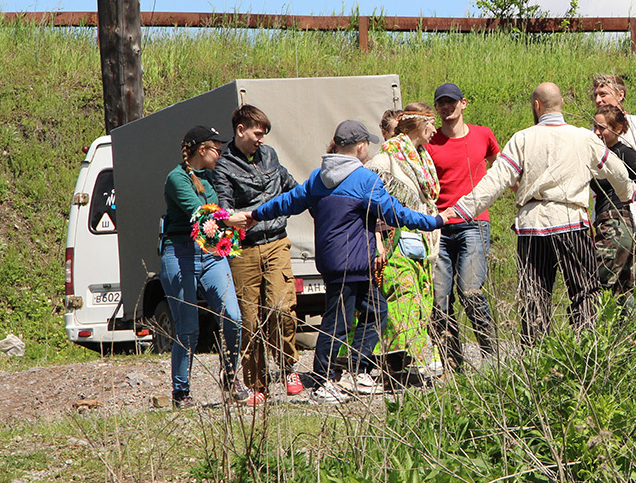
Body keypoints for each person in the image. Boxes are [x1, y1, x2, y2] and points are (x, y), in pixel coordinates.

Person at [235, 120, 445, 405]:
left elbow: (287, 201)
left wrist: (255, 214)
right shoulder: (364, 180)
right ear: (360, 146)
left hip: (338, 262)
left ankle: (355, 372)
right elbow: (396, 213)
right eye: (366, 144)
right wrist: (433, 221)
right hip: (354, 261)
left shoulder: (318, 178)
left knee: (375, 311)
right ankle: (324, 380)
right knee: (338, 323)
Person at [444, 83, 636, 345]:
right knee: (584, 292)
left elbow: (495, 181)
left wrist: (458, 211)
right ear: (561, 105)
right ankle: (588, 355)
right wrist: (627, 193)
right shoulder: (583, 137)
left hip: (532, 226)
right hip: (571, 222)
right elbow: (616, 169)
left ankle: (536, 361)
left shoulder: (523, 138)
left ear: (536, 105)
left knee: (534, 296)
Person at [211, 105, 301, 401]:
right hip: (245, 250)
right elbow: (224, 208)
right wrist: (234, 217)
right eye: (257, 133)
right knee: (249, 320)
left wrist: (316, 200)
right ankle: (257, 384)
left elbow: (289, 185)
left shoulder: (270, 155)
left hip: (277, 241)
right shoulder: (224, 167)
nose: (261, 140)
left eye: (264, 135)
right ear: (240, 130)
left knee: (281, 308)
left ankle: (288, 366)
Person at [160, 125, 251, 408]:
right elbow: (198, 214)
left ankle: (231, 374)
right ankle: (181, 392)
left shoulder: (211, 177)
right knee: (188, 327)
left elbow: (222, 206)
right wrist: (230, 220)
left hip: (211, 252)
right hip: (179, 253)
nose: (220, 154)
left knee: (233, 317)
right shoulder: (176, 179)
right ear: (202, 150)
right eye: (217, 149)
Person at [425, 83, 500, 370]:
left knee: (470, 291)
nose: (447, 107)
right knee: (439, 299)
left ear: (463, 103)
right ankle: (452, 364)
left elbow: (502, 170)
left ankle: (490, 356)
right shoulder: (430, 143)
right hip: (439, 227)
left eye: (451, 102)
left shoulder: (484, 135)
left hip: (474, 223)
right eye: (441, 103)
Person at [367, 104, 442, 384]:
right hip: (395, 240)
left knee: (420, 300)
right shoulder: (389, 155)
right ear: (419, 125)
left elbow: (428, 196)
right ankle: (395, 366)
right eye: (431, 124)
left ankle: (404, 366)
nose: (435, 130)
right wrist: (377, 239)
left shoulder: (421, 156)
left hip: (420, 241)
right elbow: (370, 196)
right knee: (402, 298)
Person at [590, 105, 636, 311]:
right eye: (594, 126)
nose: (596, 132)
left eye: (602, 127)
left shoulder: (625, 153)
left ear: (617, 128)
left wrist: (631, 194)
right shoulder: (595, 154)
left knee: (599, 281)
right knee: (623, 286)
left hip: (617, 222)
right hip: (606, 220)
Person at [590, 74, 636, 249]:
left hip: (629, 213)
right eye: (595, 95)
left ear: (620, 95)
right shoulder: (592, 133)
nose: (598, 100)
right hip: (601, 213)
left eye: (603, 94)